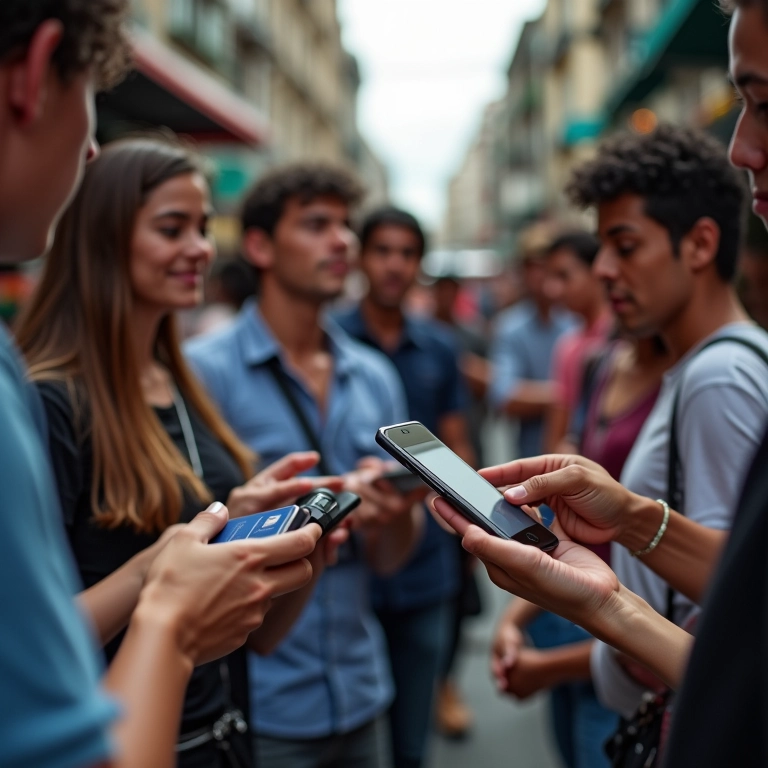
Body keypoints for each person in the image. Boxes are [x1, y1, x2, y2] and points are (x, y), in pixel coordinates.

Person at [431, 2, 768, 765]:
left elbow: (728, 625)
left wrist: (584, 628)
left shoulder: (719, 375)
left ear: (700, 244)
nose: (604, 270)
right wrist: (622, 536)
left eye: (624, 246)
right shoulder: (665, 364)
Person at [0, 4, 321, 768]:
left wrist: (281, 536)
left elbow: (254, 635)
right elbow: (38, 662)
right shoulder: (45, 398)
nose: (198, 251)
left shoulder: (184, 382)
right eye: (172, 228)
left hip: (221, 736)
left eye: (203, 228)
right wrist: (163, 583)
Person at [185, 166, 424, 768]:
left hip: (363, 690)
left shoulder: (373, 375)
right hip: (260, 702)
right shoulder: (202, 372)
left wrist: (394, 513)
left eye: (345, 225)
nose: (342, 241)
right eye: (317, 225)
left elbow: (392, 558)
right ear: (260, 245)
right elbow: (186, 552)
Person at [334, 207, 474, 765]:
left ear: (419, 263)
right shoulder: (332, 339)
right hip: (349, 566)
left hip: (425, 560)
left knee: (411, 741)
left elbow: (461, 445)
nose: (394, 265)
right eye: (383, 251)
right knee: (355, 731)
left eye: (407, 253)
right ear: (363, 258)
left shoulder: (439, 346)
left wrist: (466, 523)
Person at [430, 274, 489, 739]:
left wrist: (471, 498)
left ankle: (444, 684)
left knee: (452, 598)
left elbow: (461, 430)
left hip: (453, 486)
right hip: (398, 500)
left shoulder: (452, 340)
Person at [488, 223, 575, 460]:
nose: (540, 275)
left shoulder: (578, 320)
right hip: (531, 460)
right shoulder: (510, 326)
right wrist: (570, 392)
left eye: (546, 266)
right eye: (532, 267)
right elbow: (504, 395)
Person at [542, 230, 613, 453]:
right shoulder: (568, 346)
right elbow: (557, 432)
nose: (553, 289)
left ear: (596, 271)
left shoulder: (626, 340)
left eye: (564, 276)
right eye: (552, 278)